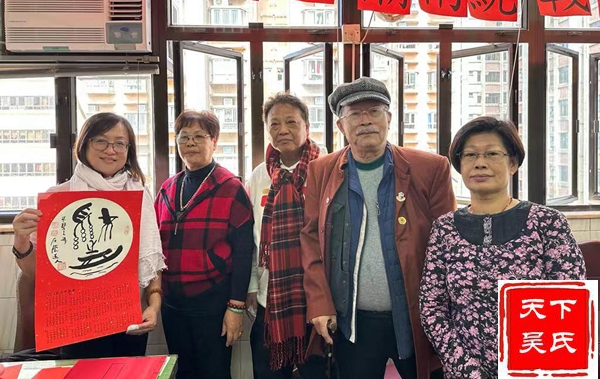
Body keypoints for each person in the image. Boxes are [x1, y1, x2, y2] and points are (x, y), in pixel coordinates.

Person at [300, 77, 456, 379]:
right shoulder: (321, 170)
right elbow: (311, 240)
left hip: (416, 318)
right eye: (355, 114)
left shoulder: (430, 168)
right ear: (341, 125)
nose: (366, 121)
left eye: (374, 111)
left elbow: (448, 245)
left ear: (389, 118)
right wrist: (319, 302)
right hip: (353, 321)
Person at [419, 116, 586, 379]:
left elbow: (568, 303)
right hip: (465, 371)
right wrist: (467, 370)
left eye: (492, 153)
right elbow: (432, 307)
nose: (480, 163)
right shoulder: (444, 229)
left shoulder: (547, 223)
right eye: (470, 155)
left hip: (535, 367)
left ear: (513, 163)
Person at [12, 112, 166, 359]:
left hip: (129, 320)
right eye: (101, 141)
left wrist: (154, 306)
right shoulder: (58, 198)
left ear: (129, 150)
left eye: (120, 143)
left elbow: (151, 261)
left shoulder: (139, 196)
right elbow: (38, 274)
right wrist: (21, 241)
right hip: (76, 322)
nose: (111, 150)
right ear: (84, 144)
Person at [155, 110, 253, 379]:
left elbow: (244, 252)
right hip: (172, 303)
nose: (190, 143)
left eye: (199, 136)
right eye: (183, 137)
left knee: (215, 372)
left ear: (214, 141)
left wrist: (235, 307)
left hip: (213, 302)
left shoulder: (231, 187)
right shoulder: (167, 188)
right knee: (183, 372)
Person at [246, 93, 326, 379]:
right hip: (271, 298)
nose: (283, 130)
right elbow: (253, 237)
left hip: (318, 297)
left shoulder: (327, 169)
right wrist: (252, 286)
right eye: (274, 124)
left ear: (307, 126)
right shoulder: (260, 176)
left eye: (291, 122)